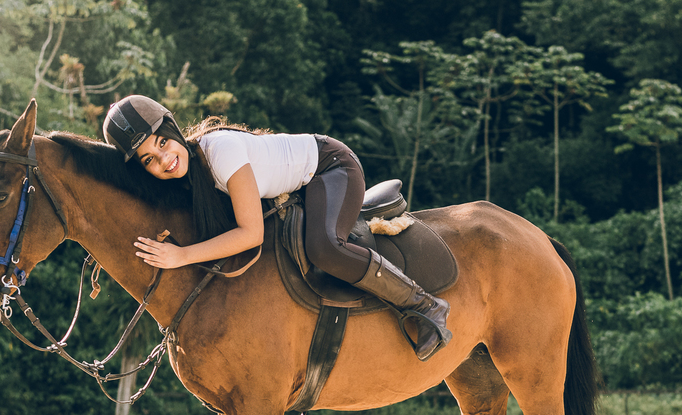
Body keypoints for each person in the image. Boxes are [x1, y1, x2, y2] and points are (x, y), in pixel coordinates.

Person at [102, 95, 451, 361]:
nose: (163, 159)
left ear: (172, 129)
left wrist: (182, 256)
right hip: (303, 185)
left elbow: (249, 234)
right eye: (149, 159)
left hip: (330, 167)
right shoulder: (189, 177)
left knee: (324, 247)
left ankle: (424, 305)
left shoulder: (219, 152)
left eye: (162, 143)